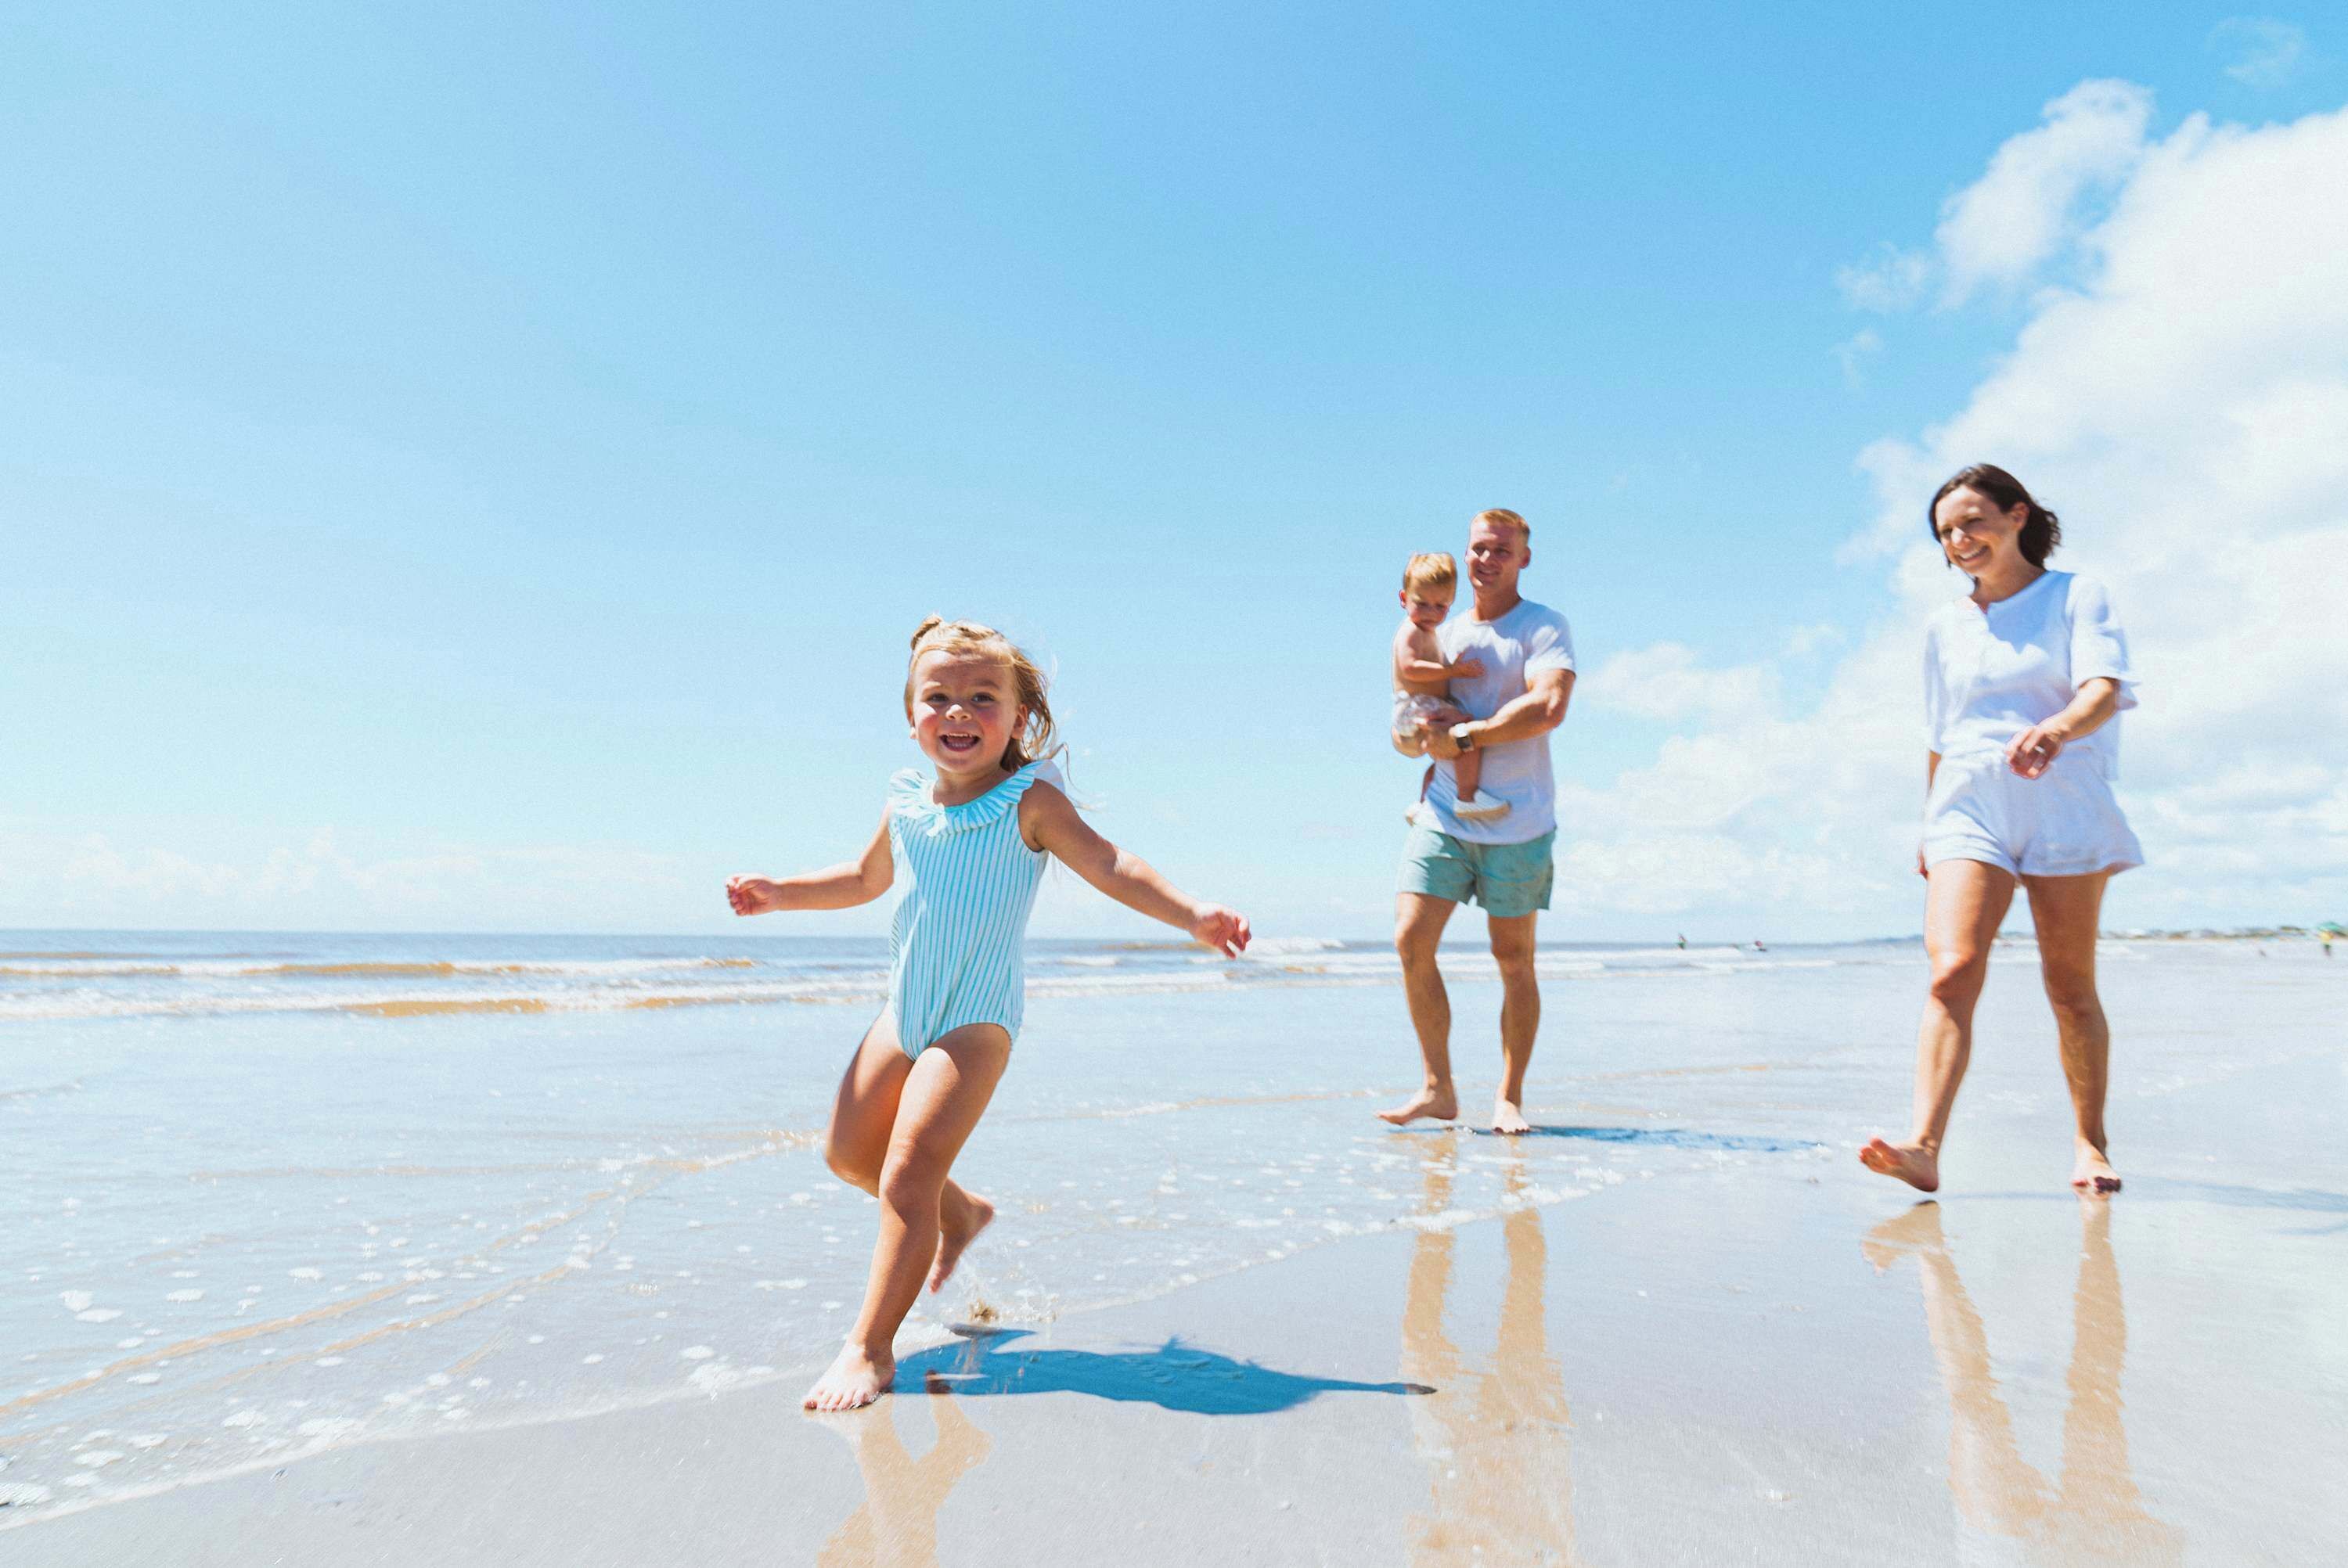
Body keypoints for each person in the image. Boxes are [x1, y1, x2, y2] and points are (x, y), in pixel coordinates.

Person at [728, 617, 1251, 1410]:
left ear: (1017, 717)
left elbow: (1112, 863)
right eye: (938, 698)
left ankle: (870, 1349)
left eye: (982, 697)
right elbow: (865, 880)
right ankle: (962, 1212)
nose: (959, 712)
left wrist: (1192, 914)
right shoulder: (905, 801)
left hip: (974, 1022)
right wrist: (781, 895)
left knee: (906, 1175)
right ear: (911, 716)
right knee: (846, 1154)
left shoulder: (1029, 802)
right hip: (903, 1011)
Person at [1860, 466, 2142, 1196]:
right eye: (1947, 532)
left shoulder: (2075, 594)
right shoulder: (1944, 624)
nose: (1960, 539)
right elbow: (1937, 730)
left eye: (1973, 520)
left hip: (2063, 796)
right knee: (1952, 968)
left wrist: (2056, 728)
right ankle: (1922, 1146)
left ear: (2018, 516)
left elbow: (2104, 689)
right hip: (1967, 801)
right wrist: (1930, 824)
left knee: (2069, 983)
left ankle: (2090, 1143)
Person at [1381, 509, 1576, 1135]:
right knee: (1412, 939)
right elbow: (1418, 710)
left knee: (1512, 959)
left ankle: (1510, 1096)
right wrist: (1414, 739)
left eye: (1499, 550)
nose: (1485, 560)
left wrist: (1467, 737)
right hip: (1444, 813)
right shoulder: (1443, 627)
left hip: (1518, 820)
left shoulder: (1542, 626)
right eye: (1477, 550)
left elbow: (1549, 706)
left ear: (1523, 558)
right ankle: (1438, 1088)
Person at [1390, 552, 1506, 822]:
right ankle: (1468, 797)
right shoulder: (1410, 631)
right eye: (1423, 604)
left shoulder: (1429, 633)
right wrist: (1452, 670)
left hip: (1422, 706)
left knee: (1444, 761)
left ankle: (1422, 805)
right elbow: (1409, 667)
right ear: (1404, 599)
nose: (1431, 613)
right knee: (1466, 732)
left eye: (1441, 607)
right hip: (1413, 706)